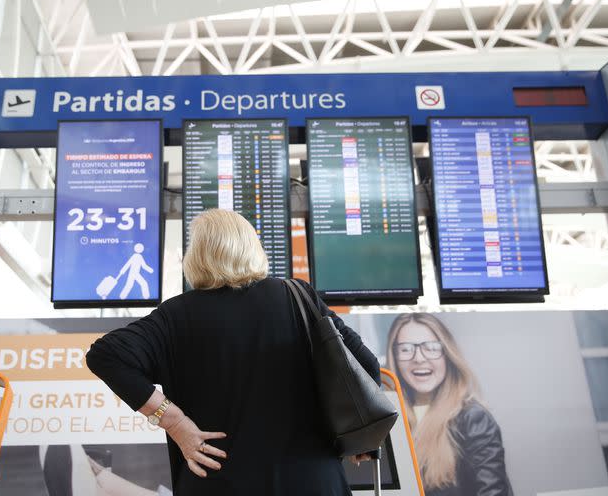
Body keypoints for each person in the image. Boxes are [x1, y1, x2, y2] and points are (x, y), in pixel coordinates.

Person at [86, 209, 381, 496]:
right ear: (253, 247)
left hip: (216, 479)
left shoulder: (176, 316)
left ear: (196, 256)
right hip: (311, 479)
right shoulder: (298, 298)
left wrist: (173, 421)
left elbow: (105, 355)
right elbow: (365, 364)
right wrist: (361, 438)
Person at [386, 313, 513, 496]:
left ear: (447, 354)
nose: (419, 358)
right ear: (394, 357)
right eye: (406, 349)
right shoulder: (387, 419)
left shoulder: (473, 418)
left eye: (431, 347)